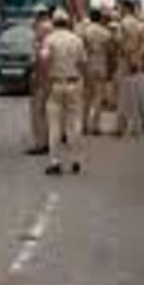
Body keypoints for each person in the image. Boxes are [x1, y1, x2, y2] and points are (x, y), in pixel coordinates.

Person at [40, 9, 88, 175]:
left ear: (53, 23)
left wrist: (46, 80)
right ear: (67, 23)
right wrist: (83, 80)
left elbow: (45, 60)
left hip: (55, 84)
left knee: (54, 125)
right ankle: (76, 160)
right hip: (74, 82)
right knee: (74, 123)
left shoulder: (49, 39)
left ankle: (55, 162)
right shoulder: (76, 39)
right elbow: (83, 63)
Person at [116, 0, 144, 136]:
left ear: (126, 8)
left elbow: (119, 41)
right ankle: (137, 126)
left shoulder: (123, 24)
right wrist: (138, 56)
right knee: (136, 93)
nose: (119, 10)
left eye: (121, 8)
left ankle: (121, 126)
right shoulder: (141, 25)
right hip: (137, 61)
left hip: (125, 61)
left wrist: (126, 54)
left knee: (122, 94)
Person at [81, 9, 115, 135]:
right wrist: (111, 68)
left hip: (89, 64)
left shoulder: (85, 31)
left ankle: (84, 125)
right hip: (101, 64)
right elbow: (110, 51)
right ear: (100, 18)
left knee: (87, 96)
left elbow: (83, 49)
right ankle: (95, 126)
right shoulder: (106, 33)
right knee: (98, 96)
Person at [26, 8, 54, 156]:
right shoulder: (53, 34)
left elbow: (40, 60)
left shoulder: (42, 39)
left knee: (38, 111)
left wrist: (37, 79)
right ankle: (48, 141)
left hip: (43, 78)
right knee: (47, 111)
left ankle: (41, 144)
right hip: (53, 77)